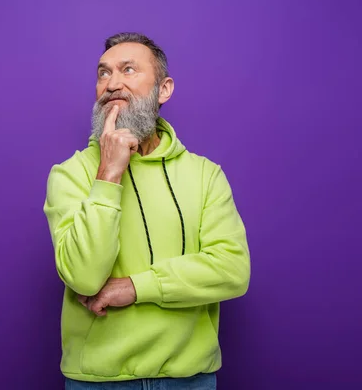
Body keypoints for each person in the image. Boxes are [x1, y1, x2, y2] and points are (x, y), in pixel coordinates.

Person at [43, 32, 251, 390]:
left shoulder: (205, 174)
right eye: (103, 73)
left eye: (128, 70)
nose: (112, 84)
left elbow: (232, 270)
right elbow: (84, 278)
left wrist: (135, 287)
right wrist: (108, 174)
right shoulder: (70, 174)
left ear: (164, 90)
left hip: (190, 380)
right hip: (99, 382)